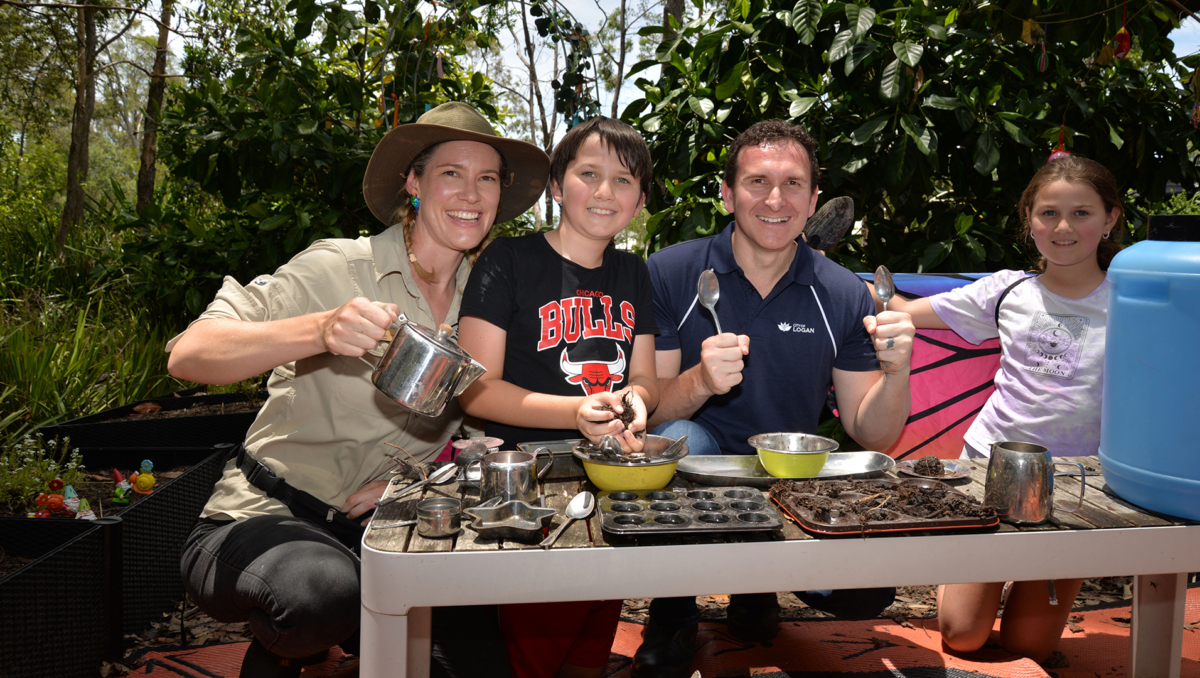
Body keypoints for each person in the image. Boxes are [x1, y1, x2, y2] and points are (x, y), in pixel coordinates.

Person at [166, 102, 550, 678]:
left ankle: (345, 647)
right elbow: (189, 354)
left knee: (478, 665)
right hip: (262, 517)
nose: (471, 192)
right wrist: (317, 329)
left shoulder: (489, 304)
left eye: (487, 177)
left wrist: (418, 480)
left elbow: (482, 434)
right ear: (414, 183)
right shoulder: (338, 267)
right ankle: (301, 646)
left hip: (387, 532)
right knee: (318, 595)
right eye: (452, 172)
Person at [634, 119, 916, 678]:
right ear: (727, 193)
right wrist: (700, 381)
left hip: (790, 478)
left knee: (865, 593)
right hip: (699, 468)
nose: (774, 199)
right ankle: (673, 611)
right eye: (757, 181)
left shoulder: (840, 291)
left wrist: (898, 371)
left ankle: (754, 582)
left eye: (792, 184)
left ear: (813, 200)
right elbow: (654, 410)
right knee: (678, 441)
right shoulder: (672, 271)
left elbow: (873, 433)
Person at [869, 155, 1122, 662]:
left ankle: (1023, 584)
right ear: (1028, 217)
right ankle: (968, 575)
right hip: (989, 468)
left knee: (1030, 647)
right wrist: (819, 266)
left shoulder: (1132, 301)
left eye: (1082, 213)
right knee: (962, 635)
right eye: (1048, 212)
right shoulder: (1006, 289)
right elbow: (896, 308)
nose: (1064, 227)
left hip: (1078, 486)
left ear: (1111, 218)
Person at [457, 116, 659, 678]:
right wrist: (573, 413)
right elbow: (474, 388)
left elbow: (643, 377)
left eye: (624, 181)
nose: (603, 192)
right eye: (588, 173)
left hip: (612, 476)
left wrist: (639, 401)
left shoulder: (632, 273)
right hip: (532, 483)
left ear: (640, 200)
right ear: (555, 184)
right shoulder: (508, 261)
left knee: (593, 638)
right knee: (535, 649)